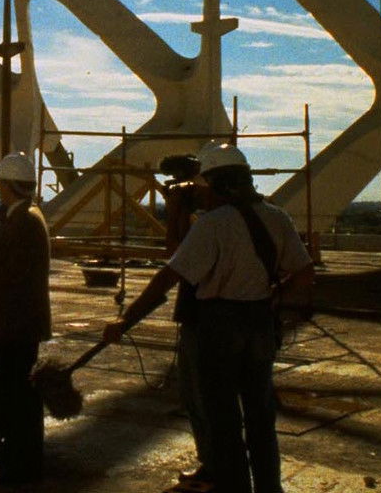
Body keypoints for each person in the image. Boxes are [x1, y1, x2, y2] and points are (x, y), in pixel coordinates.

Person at [103, 143, 314, 493]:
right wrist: (273, 297)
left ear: (216, 183)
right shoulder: (277, 217)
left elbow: (169, 277)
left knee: (223, 421)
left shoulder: (213, 225)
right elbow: (304, 273)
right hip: (260, 322)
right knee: (261, 418)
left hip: (218, 326)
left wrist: (127, 320)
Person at [0, 153, 52, 485]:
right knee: (16, 392)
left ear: (7, 185)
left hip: (15, 323)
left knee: (19, 393)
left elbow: (15, 272)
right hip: (17, 321)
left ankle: (24, 461)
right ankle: (18, 452)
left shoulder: (23, 220)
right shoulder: (25, 215)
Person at [159, 152, 227, 486]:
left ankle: (214, 467)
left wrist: (175, 213)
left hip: (202, 316)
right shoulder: (239, 217)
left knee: (200, 395)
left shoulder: (209, 220)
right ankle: (223, 466)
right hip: (221, 315)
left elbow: (176, 255)